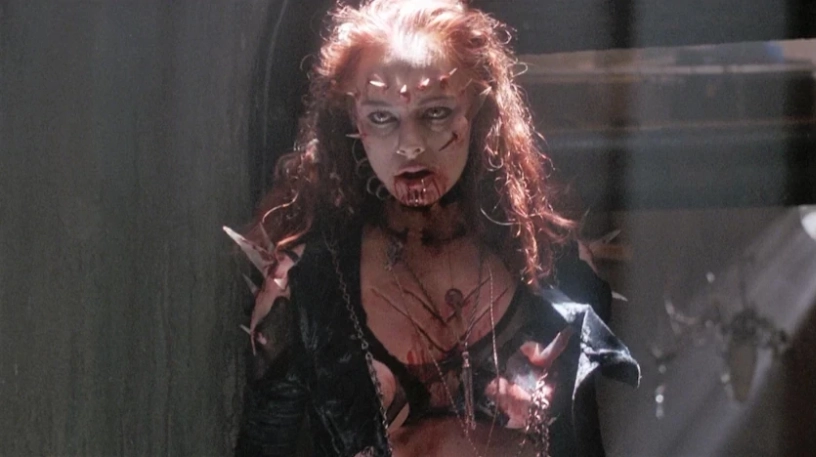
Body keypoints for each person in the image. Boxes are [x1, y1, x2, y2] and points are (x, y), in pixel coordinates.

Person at [225, 1, 639, 455]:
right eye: (381, 117)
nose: (410, 145)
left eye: (436, 112)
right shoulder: (307, 286)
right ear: (352, 121)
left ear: (477, 107)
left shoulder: (556, 267)